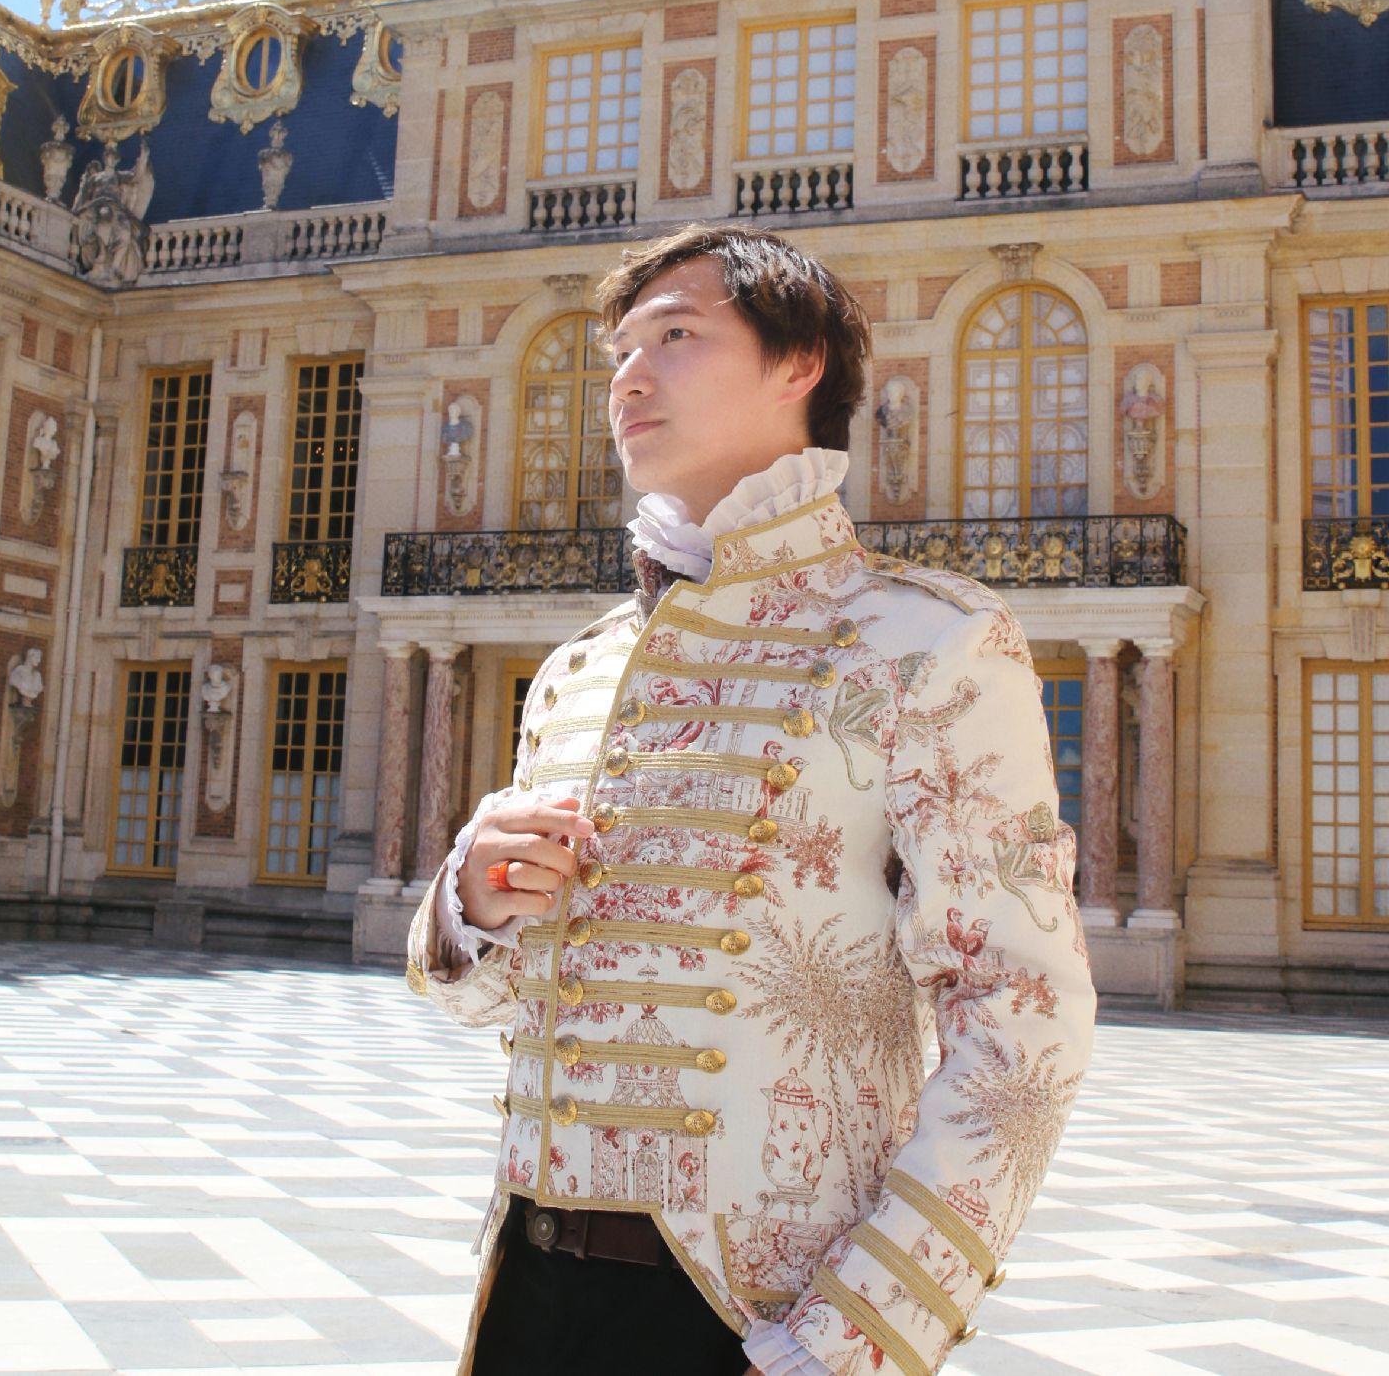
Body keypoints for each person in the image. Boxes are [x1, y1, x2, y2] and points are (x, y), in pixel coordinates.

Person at [406, 223, 1095, 1376]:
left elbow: (1024, 1021)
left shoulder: (929, 644)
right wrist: (468, 906)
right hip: (526, 1293)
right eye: (620, 351)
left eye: (676, 335)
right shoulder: (578, 670)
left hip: (754, 1320)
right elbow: (502, 1001)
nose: (628, 376)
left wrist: (849, 1341)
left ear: (799, 362)